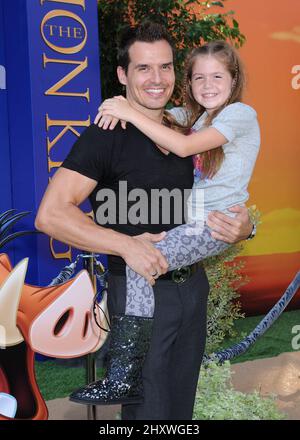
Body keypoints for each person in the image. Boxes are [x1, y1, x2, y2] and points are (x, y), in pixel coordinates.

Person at [35, 22, 254, 420]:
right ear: (122, 74)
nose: (156, 79)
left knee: (178, 414)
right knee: (148, 415)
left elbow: (226, 193)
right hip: (139, 292)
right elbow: (51, 214)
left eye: (166, 67)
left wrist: (247, 228)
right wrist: (126, 243)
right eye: (143, 68)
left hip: (192, 289)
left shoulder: (186, 127)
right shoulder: (106, 134)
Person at [89, 39, 260, 400]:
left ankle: (122, 371)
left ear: (234, 80)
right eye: (199, 78)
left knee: (142, 260)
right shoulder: (194, 117)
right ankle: (125, 371)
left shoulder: (239, 115)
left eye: (217, 76)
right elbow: (156, 111)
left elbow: (182, 147)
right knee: (142, 259)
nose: (208, 85)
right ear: (189, 83)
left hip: (212, 224)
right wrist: (117, 105)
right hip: (191, 225)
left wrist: (128, 111)